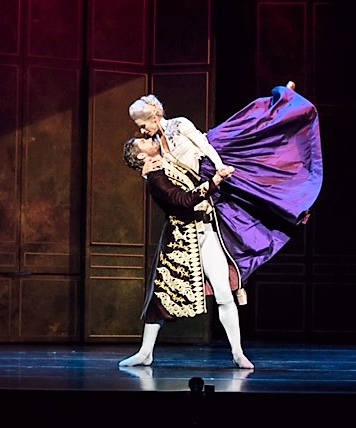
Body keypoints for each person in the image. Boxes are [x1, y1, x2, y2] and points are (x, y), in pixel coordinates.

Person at [127, 82, 322, 293]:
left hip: (213, 159)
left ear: (154, 118)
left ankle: (285, 107)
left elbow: (204, 146)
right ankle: (236, 272)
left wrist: (219, 167)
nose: (142, 131)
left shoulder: (179, 124)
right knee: (238, 214)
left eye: (142, 125)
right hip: (203, 179)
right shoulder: (156, 142)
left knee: (256, 143)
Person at [119, 135, 254, 370]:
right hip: (181, 239)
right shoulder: (155, 179)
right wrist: (215, 182)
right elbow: (183, 201)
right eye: (144, 142)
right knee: (160, 297)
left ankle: (238, 352)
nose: (149, 139)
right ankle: (145, 352)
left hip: (206, 231)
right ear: (142, 156)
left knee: (224, 292)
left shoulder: (170, 158)